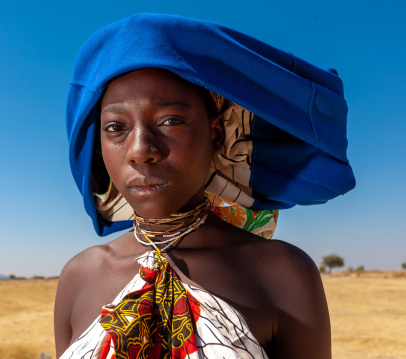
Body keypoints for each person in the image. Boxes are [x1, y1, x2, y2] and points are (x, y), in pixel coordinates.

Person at [55, 14, 355, 359]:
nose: (140, 151)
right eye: (115, 128)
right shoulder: (79, 276)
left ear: (215, 134)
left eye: (170, 121)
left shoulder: (282, 274)